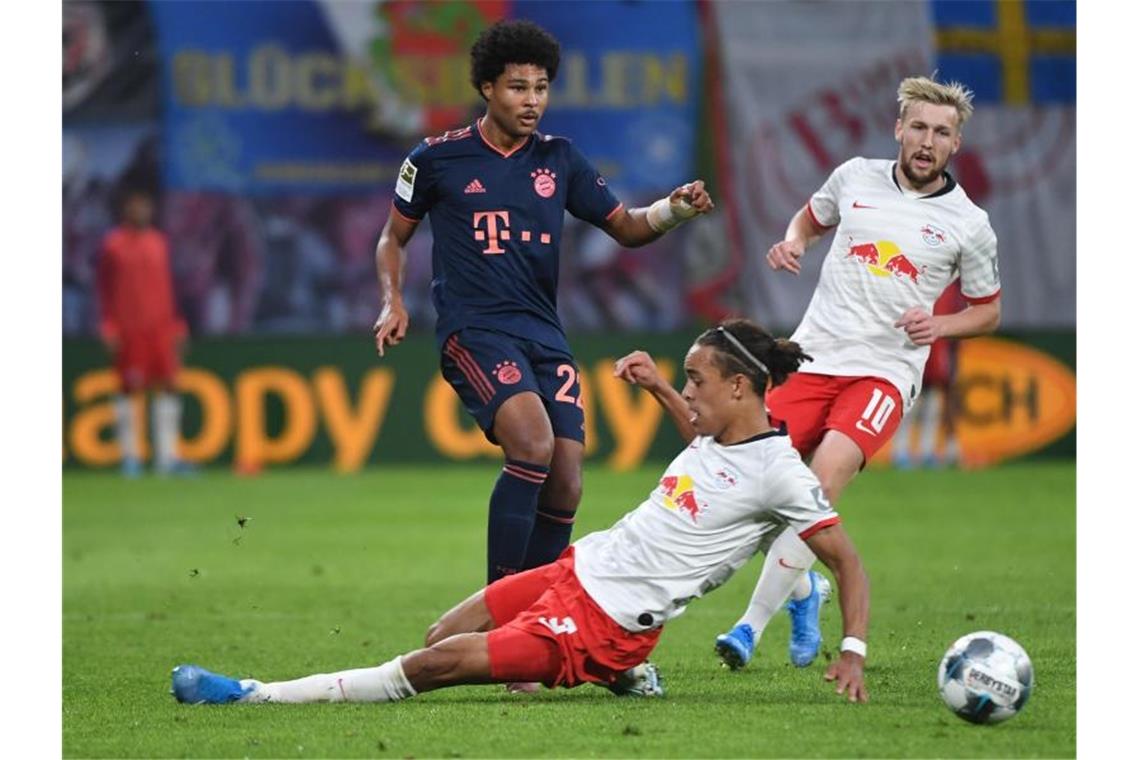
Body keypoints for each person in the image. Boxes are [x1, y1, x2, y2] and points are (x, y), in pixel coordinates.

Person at [171, 320, 871, 706]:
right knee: (445, 627)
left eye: (697, 379)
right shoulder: (720, 438)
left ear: (742, 388)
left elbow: (845, 561)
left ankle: (255, 695)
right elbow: (704, 448)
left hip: (604, 622)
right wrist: (661, 387)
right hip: (581, 566)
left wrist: (852, 650)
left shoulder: (782, 475)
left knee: (434, 665)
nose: (689, 389)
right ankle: (627, 680)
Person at [371, 19, 714, 585]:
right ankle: (498, 609)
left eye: (541, 88)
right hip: (474, 330)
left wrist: (673, 208)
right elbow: (392, 237)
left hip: (543, 333)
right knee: (532, 444)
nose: (532, 101)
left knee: (567, 480)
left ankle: (534, 617)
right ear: (487, 87)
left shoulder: (560, 159)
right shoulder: (436, 159)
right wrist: (392, 301)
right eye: (517, 87)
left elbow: (626, 228)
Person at [714, 76, 1001, 671]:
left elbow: (989, 309)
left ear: (956, 143)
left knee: (817, 486)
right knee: (752, 488)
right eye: (918, 127)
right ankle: (806, 591)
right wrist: (792, 242)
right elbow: (809, 220)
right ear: (899, 128)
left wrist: (941, 327)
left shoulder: (968, 223)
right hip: (811, 359)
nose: (927, 141)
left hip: (884, 373)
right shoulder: (853, 178)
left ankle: (747, 627)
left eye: (941, 133)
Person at [95, 188, 191, 477]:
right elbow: (103, 290)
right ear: (126, 208)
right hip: (129, 330)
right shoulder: (113, 245)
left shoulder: (159, 242)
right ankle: (130, 457)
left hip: (160, 330)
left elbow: (168, 288)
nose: (142, 211)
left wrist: (176, 326)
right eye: (137, 205)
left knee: (169, 387)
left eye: (146, 205)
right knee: (128, 389)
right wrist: (108, 327)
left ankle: (167, 457)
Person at [892, 282, 966, 469]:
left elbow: (960, 320)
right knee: (910, 403)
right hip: (913, 348)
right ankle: (901, 451)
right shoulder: (917, 279)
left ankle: (927, 451)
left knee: (932, 404)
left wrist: (952, 353)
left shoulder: (953, 289)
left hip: (939, 350)